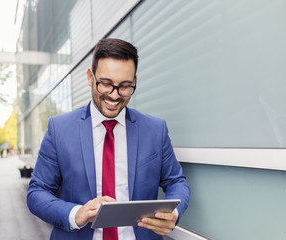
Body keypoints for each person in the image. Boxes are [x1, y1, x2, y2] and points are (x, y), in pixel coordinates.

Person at [27, 38, 190, 240]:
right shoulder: (59, 129)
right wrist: (75, 214)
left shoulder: (155, 129)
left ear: (135, 81)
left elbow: (176, 182)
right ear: (90, 77)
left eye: (124, 86)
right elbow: (37, 192)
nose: (114, 96)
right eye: (105, 84)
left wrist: (173, 213)